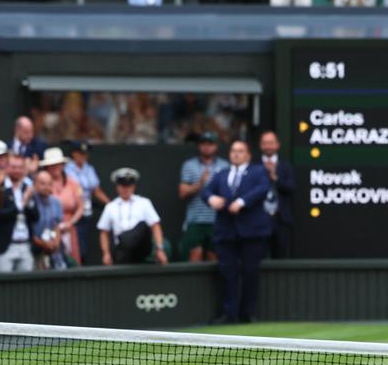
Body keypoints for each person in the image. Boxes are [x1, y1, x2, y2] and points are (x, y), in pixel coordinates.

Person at [206, 140, 272, 323]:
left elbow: (262, 189)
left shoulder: (258, 171)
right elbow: (206, 191)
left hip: (252, 233)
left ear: (248, 155)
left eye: (240, 151)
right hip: (226, 233)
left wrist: (242, 202)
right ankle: (229, 314)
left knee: (250, 273)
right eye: (233, 151)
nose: (236, 154)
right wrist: (212, 199)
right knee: (228, 274)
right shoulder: (221, 174)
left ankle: (247, 313)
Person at [97, 167, 168, 265]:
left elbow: (155, 226)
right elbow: (104, 232)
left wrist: (160, 249)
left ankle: (126, 239)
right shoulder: (110, 207)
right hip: (122, 250)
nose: (126, 189)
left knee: (142, 226)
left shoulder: (144, 203)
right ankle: (125, 240)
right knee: (123, 240)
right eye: (123, 186)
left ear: (133, 187)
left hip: (141, 248)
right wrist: (106, 253)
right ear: (117, 187)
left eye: (129, 186)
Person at [179, 131, 229, 262]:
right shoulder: (189, 165)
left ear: (216, 146)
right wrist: (200, 184)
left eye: (210, 144)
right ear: (199, 146)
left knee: (215, 256)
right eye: (204, 144)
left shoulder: (225, 166)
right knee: (195, 255)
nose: (207, 147)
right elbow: (182, 192)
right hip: (195, 219)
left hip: (218, 220)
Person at [0, 155, 38, 272]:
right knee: (3, 286)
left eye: (20, 167)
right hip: (5, 246)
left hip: (25, 244)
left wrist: (29, 202)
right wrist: (23, 202)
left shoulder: (27, 187)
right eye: (13, 167)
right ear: (6, 168)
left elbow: (36, 216)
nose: (17, 170)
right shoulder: (0, 188)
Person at [63, 139, 108, 264]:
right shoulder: (67, 169)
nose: (84, 156)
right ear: (74, 154)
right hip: (72, 214)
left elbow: (96, 191)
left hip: (86, 213)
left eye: (86, 154)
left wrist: (110, 204)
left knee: (83, 248)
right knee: (73, 247)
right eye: (81, 153)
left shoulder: (89, 169)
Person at [41, 147, 84, 265]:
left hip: (69, 229)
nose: (55, 167)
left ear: (62, 165)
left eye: (58, 164)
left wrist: (70, 223)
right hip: (48, 229)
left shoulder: (73, 183)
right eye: (52, 164)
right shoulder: (42, 184)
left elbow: (81, 206)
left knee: (71, 260)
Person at [258, 130, 294, 259]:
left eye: (271, 143)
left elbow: (291, 188)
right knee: (258, 256)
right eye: (265, 143)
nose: (268, 146)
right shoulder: (254, 165)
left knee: (281, 255)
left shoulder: (285, 166)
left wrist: (275, 178)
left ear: (277, 145)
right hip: (258, 218)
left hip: (280, 219)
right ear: (260, 145)